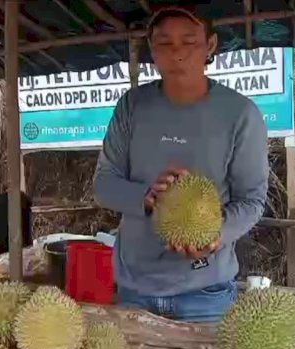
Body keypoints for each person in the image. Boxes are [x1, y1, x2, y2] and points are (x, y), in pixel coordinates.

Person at [93, 5, 269, 322]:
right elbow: (104, 183)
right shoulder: (131, 107)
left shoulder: (240, 115)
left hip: (206, 294)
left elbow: (252, 199)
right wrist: (146, 196)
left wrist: (217, 235)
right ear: (151, 48)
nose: (176, 53)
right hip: (134, 287)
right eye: (163, 42)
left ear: (210, 46)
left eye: (188, 41)